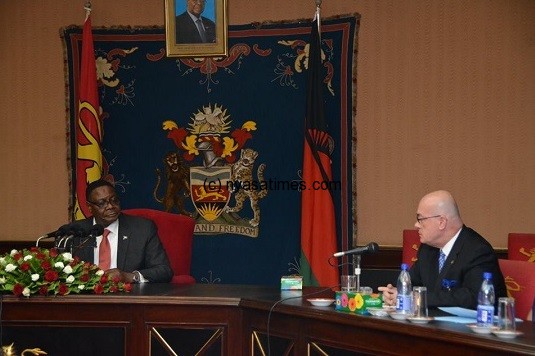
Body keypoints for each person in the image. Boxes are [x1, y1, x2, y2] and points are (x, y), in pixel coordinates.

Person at [379, 190, 506, 309]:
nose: (416, 225)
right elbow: (410, 282)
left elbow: (473, 298)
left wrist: (417, 298)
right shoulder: (427, 249)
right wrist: (395, 293)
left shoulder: (477, 251)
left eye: (420, 219)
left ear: (442, 222)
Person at [72, 179, 173, 283]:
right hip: (86, 296)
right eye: (102, 203)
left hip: (128, 296)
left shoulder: (142, 229)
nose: (110, 206)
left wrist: (130, 276)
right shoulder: (74, 232)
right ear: (89, 207)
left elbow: (164, 270)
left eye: (114, 200)